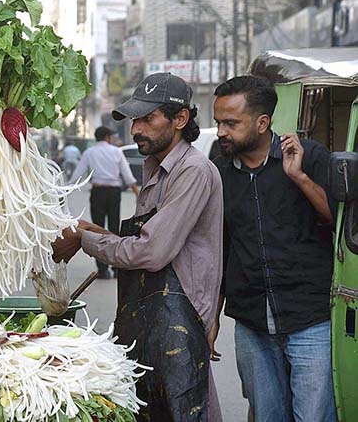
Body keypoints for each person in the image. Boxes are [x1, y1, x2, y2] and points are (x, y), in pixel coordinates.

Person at [53, 72, 224, 422]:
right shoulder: (155, 168)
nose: (135, 130)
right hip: (152, 320)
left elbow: (151, 252)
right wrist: (92, 230)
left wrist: (85, 240)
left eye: (147, 119)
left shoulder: (193, 170)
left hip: (181, 323)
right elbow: (143, 239)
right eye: (134, 120)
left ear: (180, 119)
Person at [212, 75, 337, 422]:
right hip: (252, 323)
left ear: (262, 122)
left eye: (230, 123)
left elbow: (336, 221)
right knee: (267, 416)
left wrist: (298, 177)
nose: (221, 131)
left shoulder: (308, 156)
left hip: (310, 319)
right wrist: (212, 319)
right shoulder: (220, 172)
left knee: (314, 416)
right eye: (218, 122)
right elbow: (221, 248)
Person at [70, 125, 139, 279]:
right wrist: (136, 193)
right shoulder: (116, 152)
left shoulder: (89, 152)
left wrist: (66, 190)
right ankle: (116, 267)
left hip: (98, 192)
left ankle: (102, 269)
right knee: (114, 228)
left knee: (97, 229)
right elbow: (127, 175)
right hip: (114, 193)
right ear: (108, 137)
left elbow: (78, 173)